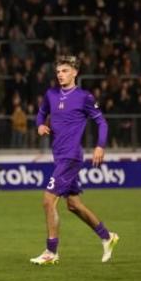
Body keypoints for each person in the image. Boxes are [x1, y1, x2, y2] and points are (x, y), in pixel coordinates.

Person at [30, 56, 119, 265]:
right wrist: (40, 125)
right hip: (59, 155)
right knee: (74, 205)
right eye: (59, 71)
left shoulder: (84, 97)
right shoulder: (51, 94)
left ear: (75, 73)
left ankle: (51, 252)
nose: (60, 74)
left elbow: (102, 122)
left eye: (65, 71)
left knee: (48, 200)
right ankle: (107, 237)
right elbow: (41, 114)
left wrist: (100, 146)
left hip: (71, 156)